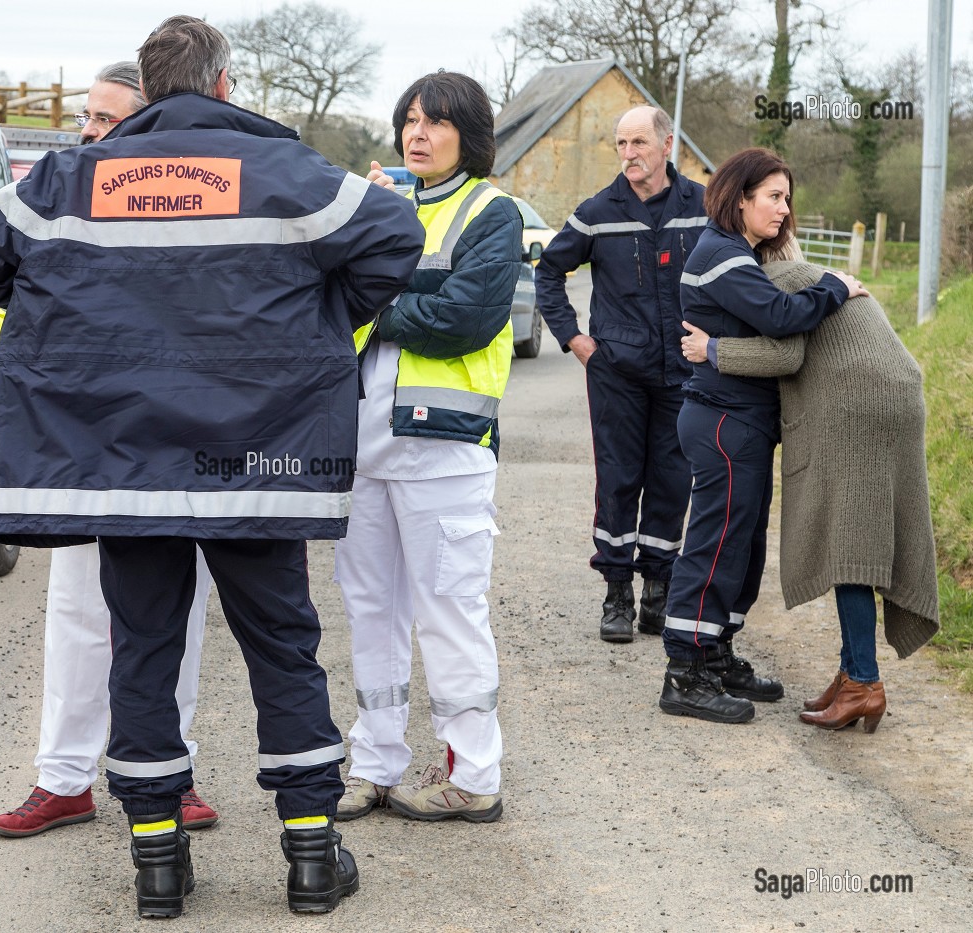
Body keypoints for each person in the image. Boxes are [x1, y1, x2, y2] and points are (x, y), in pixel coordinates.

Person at [0, 16, 422, 918]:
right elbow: (393, 235)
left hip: (127, 463)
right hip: (258, 459)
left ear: (150, 93)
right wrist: (312, 323)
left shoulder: (73, 177)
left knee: (141, 652)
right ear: (225, 86)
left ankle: (158, 867)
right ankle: (312, 860)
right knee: (282, 646)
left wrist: (72, 321)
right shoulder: (285, 172)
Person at [0, 63, 221, 840]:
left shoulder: (195, 219)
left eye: (106, 120)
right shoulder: (58, 215)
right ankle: (65, 779)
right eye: (87, 116)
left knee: (173, 616)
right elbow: (9, 324)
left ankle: (169, 774)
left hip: (180, 453)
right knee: (80, 614)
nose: (86, 131)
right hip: (87, 448)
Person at [335, 72, 522, 825]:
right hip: (364, 447)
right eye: (409, 118)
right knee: (369, 609)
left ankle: (474, 775)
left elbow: (466, 317)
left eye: (436, 122)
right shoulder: (385, 206)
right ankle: (373, 764)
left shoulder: (491, 209)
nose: (418, 133)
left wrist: (379, 306)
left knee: (449, 609)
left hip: (444, 449)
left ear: (467, 135)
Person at [679, 255, 940, 733]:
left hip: (859, 406)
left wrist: (712, 348)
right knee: (859, 540)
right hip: (897, 392)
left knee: (850, 550)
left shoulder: (778, 280)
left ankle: (864, 682)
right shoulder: (817, 274)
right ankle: (850, 674)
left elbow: (785, 355)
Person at [659, 147, 867, 724]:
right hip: (723, 420)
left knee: (742, 545)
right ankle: (685, 672)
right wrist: (834, 288)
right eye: (773, 197)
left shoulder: (737, 254)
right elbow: (779, 318)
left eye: (787, 197)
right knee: (716, 542)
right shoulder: (722, 256)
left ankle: (717, 652)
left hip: (742, 421)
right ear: (741, 198)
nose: (784, 208)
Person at [535, 107, 708, 643]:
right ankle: (617, 596)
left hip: (684, 371)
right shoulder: (597, 211)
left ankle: (658, 591)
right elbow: (549, 271)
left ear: (666, 144)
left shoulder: (703, 206)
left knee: (672, 481)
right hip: (617, 372)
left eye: (638, 142)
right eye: (620, 144)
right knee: (618, 480)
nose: (629, 153)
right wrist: (574, 339)